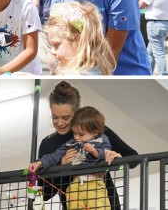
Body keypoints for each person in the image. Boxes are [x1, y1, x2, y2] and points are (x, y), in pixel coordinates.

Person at [38, 81, 138, 209]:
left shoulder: (96, 131)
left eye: (66, 117)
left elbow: (134, 158)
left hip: (104, 203)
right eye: (54, 117)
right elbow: (45, 194)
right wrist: (61, 166)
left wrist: (117, 159)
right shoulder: (47, 144)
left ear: (76, 114)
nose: (59, 123)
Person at [30, 106, 111, 209]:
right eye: (74, 133)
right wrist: (39, 163)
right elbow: (55, 155)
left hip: (94, 184)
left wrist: (94, 151)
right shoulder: (71, 143)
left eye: (81, 134)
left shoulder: (101, 140)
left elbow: (107, 153)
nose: (77, 137)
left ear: (95, 132)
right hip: (75, 186)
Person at [47, 1, 115, 75]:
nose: (52, 51)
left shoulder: (74, 76)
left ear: (78, 40)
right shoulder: (97, 70)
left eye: (56, 45)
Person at [31, 0, 61, 65]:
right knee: (59, 48)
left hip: (44, 22)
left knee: (49, 50)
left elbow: (35, 4)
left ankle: (54, 72)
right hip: (60, 21)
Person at [139, 0, 168, 75]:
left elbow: (140, 5)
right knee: (150, 51)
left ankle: (163, 76)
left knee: (158, 52)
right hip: (165, 23)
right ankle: (148, 74)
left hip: (155, 23)